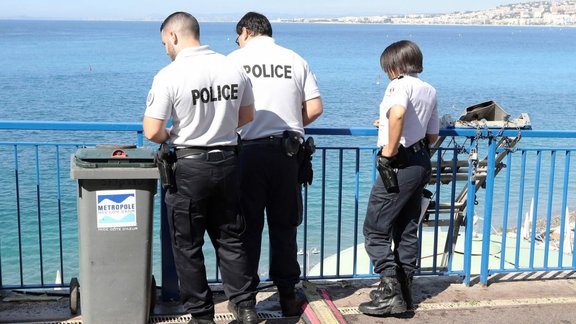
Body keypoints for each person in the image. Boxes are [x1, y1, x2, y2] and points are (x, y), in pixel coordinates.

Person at [142, 12, 258, 324]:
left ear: (173, 36)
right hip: (229, 162)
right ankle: (246, 307)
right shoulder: (232, 67)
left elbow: (153, 130)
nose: (165, 47)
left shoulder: (170, 74)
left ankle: (202, 315)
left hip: (190, 167)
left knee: (188, 245)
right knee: (231, 238)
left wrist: (173, 134)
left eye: (165, 41)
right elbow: (246, 117)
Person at [227, 12, 323, 317]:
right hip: (288, 155)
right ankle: (287, 297)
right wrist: (292, 124)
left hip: (248, 154)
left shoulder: (234, 61)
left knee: (246, 230)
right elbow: (316, 108)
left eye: (237, 36)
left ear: (245, 32)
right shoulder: (295, 59)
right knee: (284, 228)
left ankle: (245, 305)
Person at [359, 40, 439, 316]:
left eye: (386, 68)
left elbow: (399, 114)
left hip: (399, 164)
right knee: (406, 228)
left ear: (393, 66)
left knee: (375, 228)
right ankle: (405, 291)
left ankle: (389, 292)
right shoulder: (429, 89)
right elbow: (432, 136)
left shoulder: (398, 84)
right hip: (420, 163)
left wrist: (388, 153)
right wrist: (390, 124)